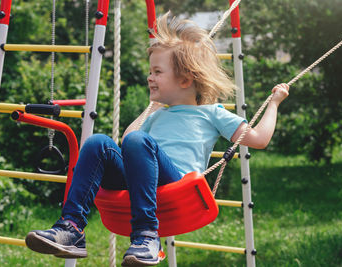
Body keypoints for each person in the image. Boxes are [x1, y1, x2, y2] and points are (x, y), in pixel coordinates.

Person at [24, 12, 289, 266]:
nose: (150, 77)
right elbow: (127, 142)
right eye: (151, 72)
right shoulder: (156, 114)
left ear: (185, 80)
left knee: (138, 141)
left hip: (179, 185)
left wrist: (274, 103)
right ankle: (71, 228)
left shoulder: (212, 113)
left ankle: (147, 235)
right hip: (140, 181)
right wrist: (152, 105)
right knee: (97, 143)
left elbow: (260, 139)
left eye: (157, 72)